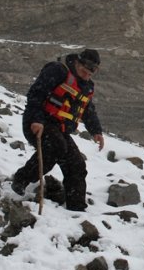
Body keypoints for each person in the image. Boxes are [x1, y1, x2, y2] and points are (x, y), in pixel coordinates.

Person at [11, 49, 105, 211]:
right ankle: (21, 179)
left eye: (90, 73)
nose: (86, 76)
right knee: (56, 147)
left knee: (77, 165)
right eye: (84, 71)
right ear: (77, 63)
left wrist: (96, 131)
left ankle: (77, 208)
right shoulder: (57, 71)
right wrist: (37, 120)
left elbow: (88, 110)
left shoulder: (87, 86)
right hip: (38, 122)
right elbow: (36, 94)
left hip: (59, 129)